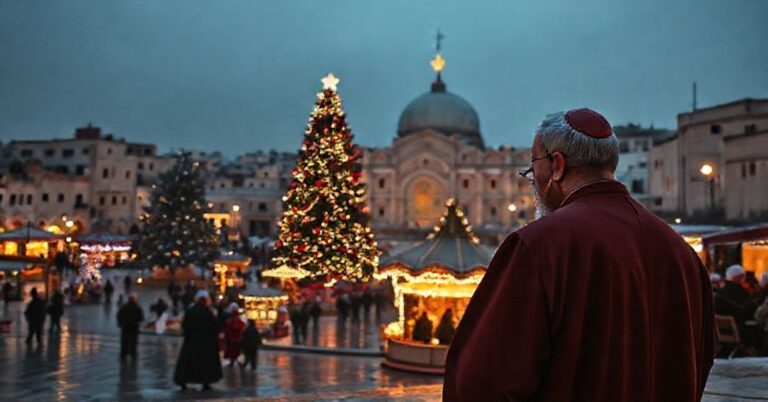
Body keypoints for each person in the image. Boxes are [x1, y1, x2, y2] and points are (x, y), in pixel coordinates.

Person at [443, 109, 714, 401]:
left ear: (557, 165)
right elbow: (701, 361)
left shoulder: (538, 246)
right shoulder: (681, 253)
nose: (533, 178)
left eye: (534, 166)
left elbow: (483, 380)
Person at [174, 290, 222, 391]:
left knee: (188, 363)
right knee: (205, 364)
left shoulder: (191, 311)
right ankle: (206, 382)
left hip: (191, 342)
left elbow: (184, 325)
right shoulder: (207, 312)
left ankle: (183, 381)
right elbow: (215, 326)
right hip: (206, 343)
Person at [117, 293, 144, 361]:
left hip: (125, 327)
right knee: (133, 341)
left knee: (124, 341)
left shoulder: (124, 307)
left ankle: (124, 354)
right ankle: (132, 353)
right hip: (133, 327)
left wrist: (120, 323)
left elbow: (119, 315)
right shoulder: (137, 307)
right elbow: (141, 318)